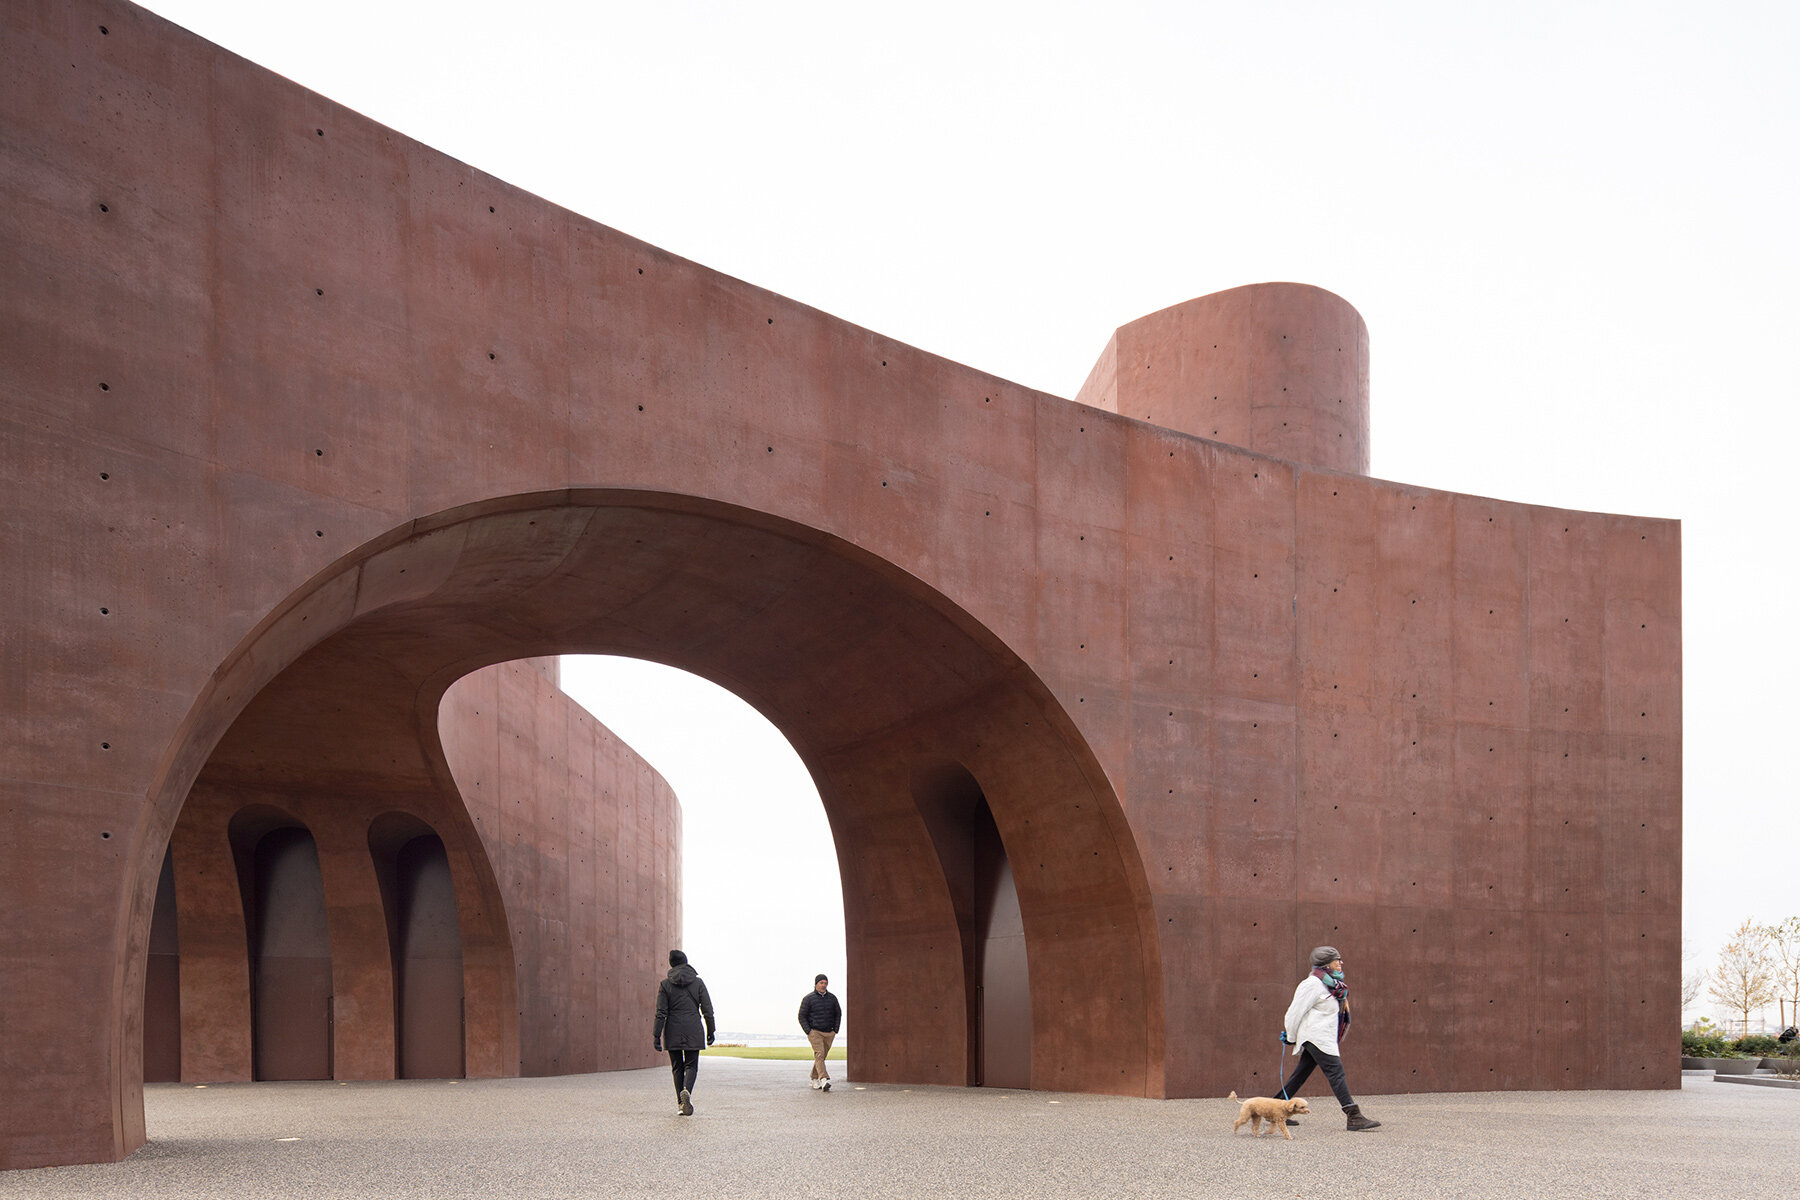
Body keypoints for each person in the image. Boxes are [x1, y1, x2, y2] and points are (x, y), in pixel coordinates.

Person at [1280, 945, 1380, 1131]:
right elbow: (1294, 1012)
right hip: (1316, 1038)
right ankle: (1353, 1116)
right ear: (1326, 964)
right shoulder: (1312, 984)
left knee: (1300, 1074)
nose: (1341, 962)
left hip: (1323, 1038)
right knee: (1336, 1073)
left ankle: (1276, 1108)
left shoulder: (1332, 985)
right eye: (1337, 960)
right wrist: (1291, 1036)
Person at [653, 949, 715, 1116]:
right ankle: (687, 1090)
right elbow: (707, 1009)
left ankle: (681, 1104)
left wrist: (656, 1035)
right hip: (693, 1028)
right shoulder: (698, 983)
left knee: (677, 1067)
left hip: (673, 1029)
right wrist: (711, 1030)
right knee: (691, 1065)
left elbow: (661, 1012)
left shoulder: (665, 984)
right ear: (686, 962)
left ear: (671, 964)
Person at [798, 974, 841, 1090]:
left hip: (829, 1032)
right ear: (816, 984)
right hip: (815, 1032)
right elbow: (801, 1016)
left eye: (825, 983)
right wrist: (809, 1031)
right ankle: (824, 1079)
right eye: (821, 983)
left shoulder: (832, 998)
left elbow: (838, 1013)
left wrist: (835, 1029)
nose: (823, 985)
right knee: (820, 1054)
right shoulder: (808, 999)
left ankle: (814, 1077)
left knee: (821, 1057)